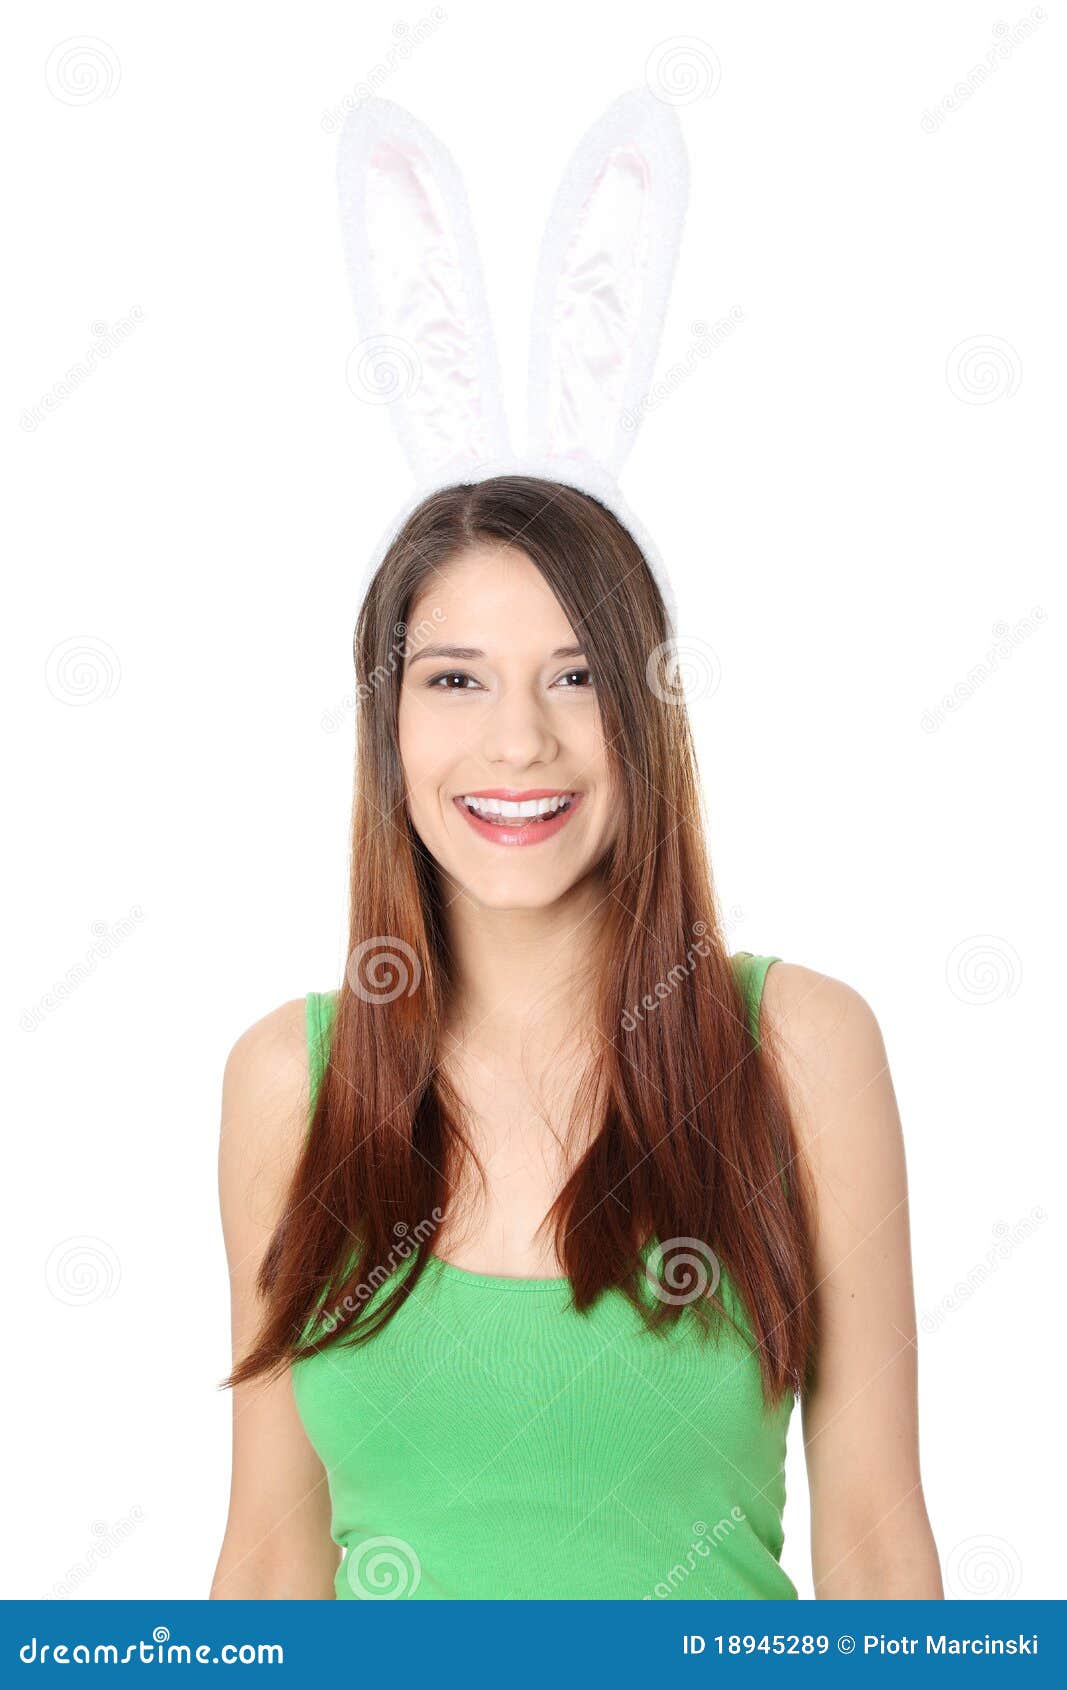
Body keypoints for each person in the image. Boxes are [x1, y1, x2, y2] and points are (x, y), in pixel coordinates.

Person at [209, 475, 943, 1600]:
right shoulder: (289, 1081)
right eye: (455, 679)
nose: (518, 741)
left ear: (644, 717)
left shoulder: (798, 1047)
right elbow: (268, 1567)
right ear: (385, 724)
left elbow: (877, 1554)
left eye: (577, 676)